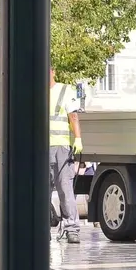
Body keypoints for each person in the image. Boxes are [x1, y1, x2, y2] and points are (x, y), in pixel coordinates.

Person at [49, 68, 82, 244]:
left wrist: (78, 138)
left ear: (53, 72)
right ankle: (43, 228)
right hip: (42, 147)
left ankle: (71, 229)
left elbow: (73, 116)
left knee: (64, 188)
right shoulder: (36, 92)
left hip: (61, 146)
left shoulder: (65, 90)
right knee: (44, 191)